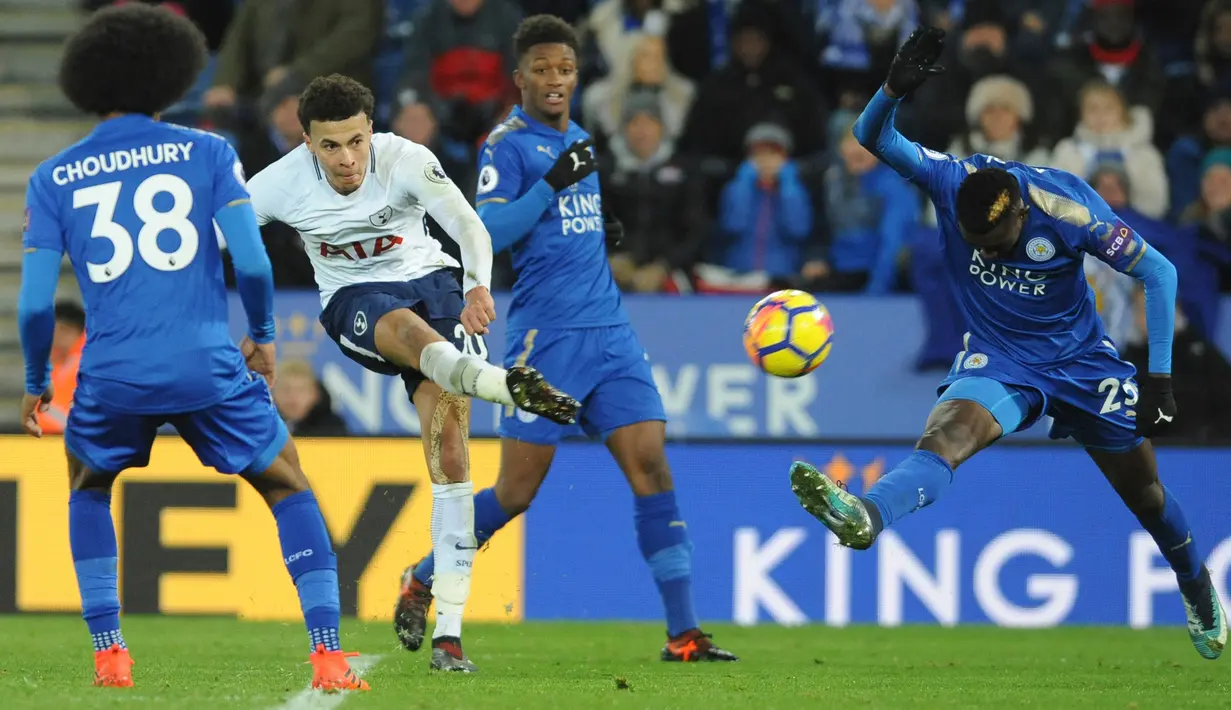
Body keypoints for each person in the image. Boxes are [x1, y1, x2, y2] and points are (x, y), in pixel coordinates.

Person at [790, 27, 1227, 660]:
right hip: (1000, 357)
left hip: (1081, 364)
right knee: (945, 437)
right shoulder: (951, 179)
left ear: (1021, 214)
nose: (988, 253)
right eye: (977, 246)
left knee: (1147, 497)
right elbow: (871, 137)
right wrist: (889, 92)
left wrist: (1158, 381)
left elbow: (1159, 272)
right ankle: (867, 517)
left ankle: (1197, 584)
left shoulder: (1070, 207)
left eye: (996, 243)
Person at [17, 5, 369, 691]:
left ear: (87, 81)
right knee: (286, 483)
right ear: (169, 72)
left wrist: (37, 379)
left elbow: (34, 303)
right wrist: (262, 339)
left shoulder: (53, 177)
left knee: (88, 489)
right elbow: (258, 266)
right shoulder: (208, 151)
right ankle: (327, 654)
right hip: (206, 361)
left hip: (113, 369)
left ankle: (110, 653)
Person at [394, 14, 739, 665]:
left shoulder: (578, 137)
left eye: (565, 70)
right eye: (543, 71)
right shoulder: (507, 144)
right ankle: (423, 576)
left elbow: (560, 223)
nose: (555, 81)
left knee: (651, 465)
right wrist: (554, 184)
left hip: (608, 334)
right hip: (546, 342)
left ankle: (683, 633)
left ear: (577, 76)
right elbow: (488, 233)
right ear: (519, 78)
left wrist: (591, 224)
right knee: (517, 492)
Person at [244, 73, 580, 673]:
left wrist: (477, 283)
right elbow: (225, 234)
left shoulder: (406, 159)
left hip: (437, 284)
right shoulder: (277, 184)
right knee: (404, 329)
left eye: (355, 141)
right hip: (355, 299)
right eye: (330, 146)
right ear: (306, 142)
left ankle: (448, 635)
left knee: (453, 458)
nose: (346, 159)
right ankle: (504, 384)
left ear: (371, 129)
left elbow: (468, 224)